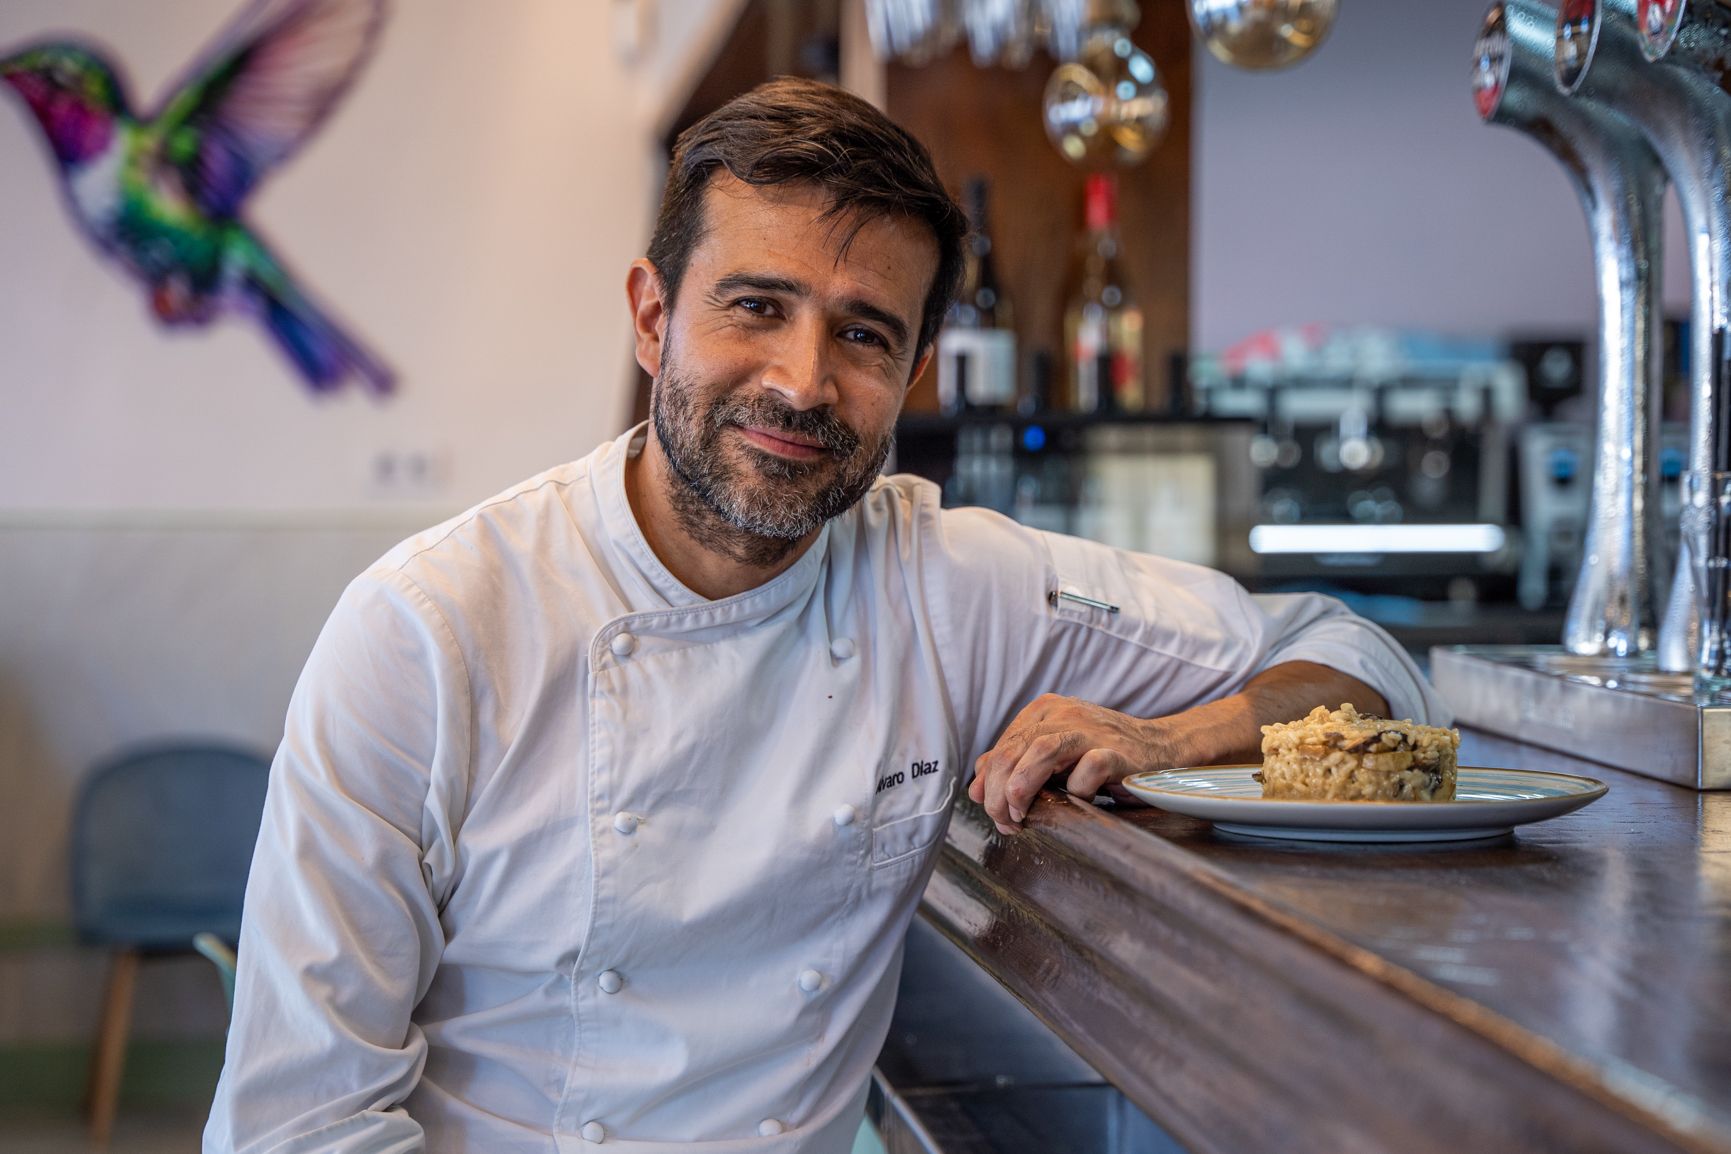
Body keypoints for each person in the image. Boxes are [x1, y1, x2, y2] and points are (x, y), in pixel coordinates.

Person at [205, 77, 1446, 1153]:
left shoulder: (953, 586)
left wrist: (1175, 738)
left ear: (913, 373)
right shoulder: (427, 630)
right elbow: (297, 1121)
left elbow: (1357, 656)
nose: (803, 381)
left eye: (861, 333)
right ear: (652, 315)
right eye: (755, 305)